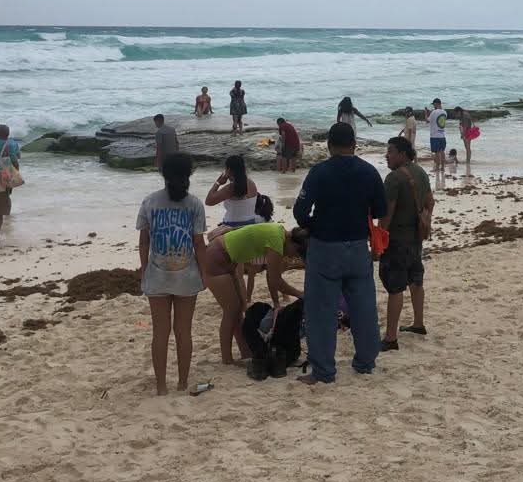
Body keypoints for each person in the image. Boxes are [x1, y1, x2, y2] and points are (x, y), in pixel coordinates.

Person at [292, 121, 387, 384]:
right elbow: (381, 209)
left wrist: (313, 226)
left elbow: (300, 211)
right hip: (357, 246)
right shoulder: (369, 171)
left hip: (325, 247)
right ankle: (365, 363)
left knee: (321, 311)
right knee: (364, 308)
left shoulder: (319, 172)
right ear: (354, 145)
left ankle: (324, 371)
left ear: (329, 145)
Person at [136, 152, 206, 395]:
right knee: (183, 332)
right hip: (187, 277)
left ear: (163, 175)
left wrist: (144, 268)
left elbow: (144, 242)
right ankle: (183, 382)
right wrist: (205, 274)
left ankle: (161, 387)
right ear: (189, 175)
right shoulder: (195, 204)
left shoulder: (149, 202)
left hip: (157, 276)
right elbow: (199, 244)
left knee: (160, 333)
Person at [199, 220, 307, 367]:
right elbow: (275, 280)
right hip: (217, 257)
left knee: (237, 309)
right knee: (231, 310)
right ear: (294, 244)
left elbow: (272, 279)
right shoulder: (277, 241)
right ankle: (227, 359)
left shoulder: (278, 232)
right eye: (296, 253)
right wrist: (300, 294)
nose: (293, 257)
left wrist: (283, 298)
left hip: (225, 256)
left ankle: (245, 352)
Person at [378, 136, 433, 351]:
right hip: (415, 238)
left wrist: (379, 241)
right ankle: (418, 323)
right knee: (416, 281)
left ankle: (391, 338)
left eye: (390, 151)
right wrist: (424, 221)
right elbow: (430, 202)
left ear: (402, 154)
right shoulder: (420, 172)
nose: (387, 156)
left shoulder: (394, 178)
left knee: (395, 287)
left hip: (397, 239)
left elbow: (386, 215)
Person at [205, 155, 258, 229]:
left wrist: (218, 182)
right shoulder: (252, 184)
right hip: (250, 225)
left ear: (228, 170)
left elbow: (208, 201)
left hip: (232, 226)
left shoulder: (231, 188)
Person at [426, 97, 447, 174]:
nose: (433, 106)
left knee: (437, 152)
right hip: (442, 135)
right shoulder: (445, 112)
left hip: (435, 135)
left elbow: (427, 120)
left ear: (436, 104)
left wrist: (426, 113)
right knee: (442, 151)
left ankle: (437, 168)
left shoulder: (434, 112)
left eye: (434, 104)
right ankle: (443, 167)